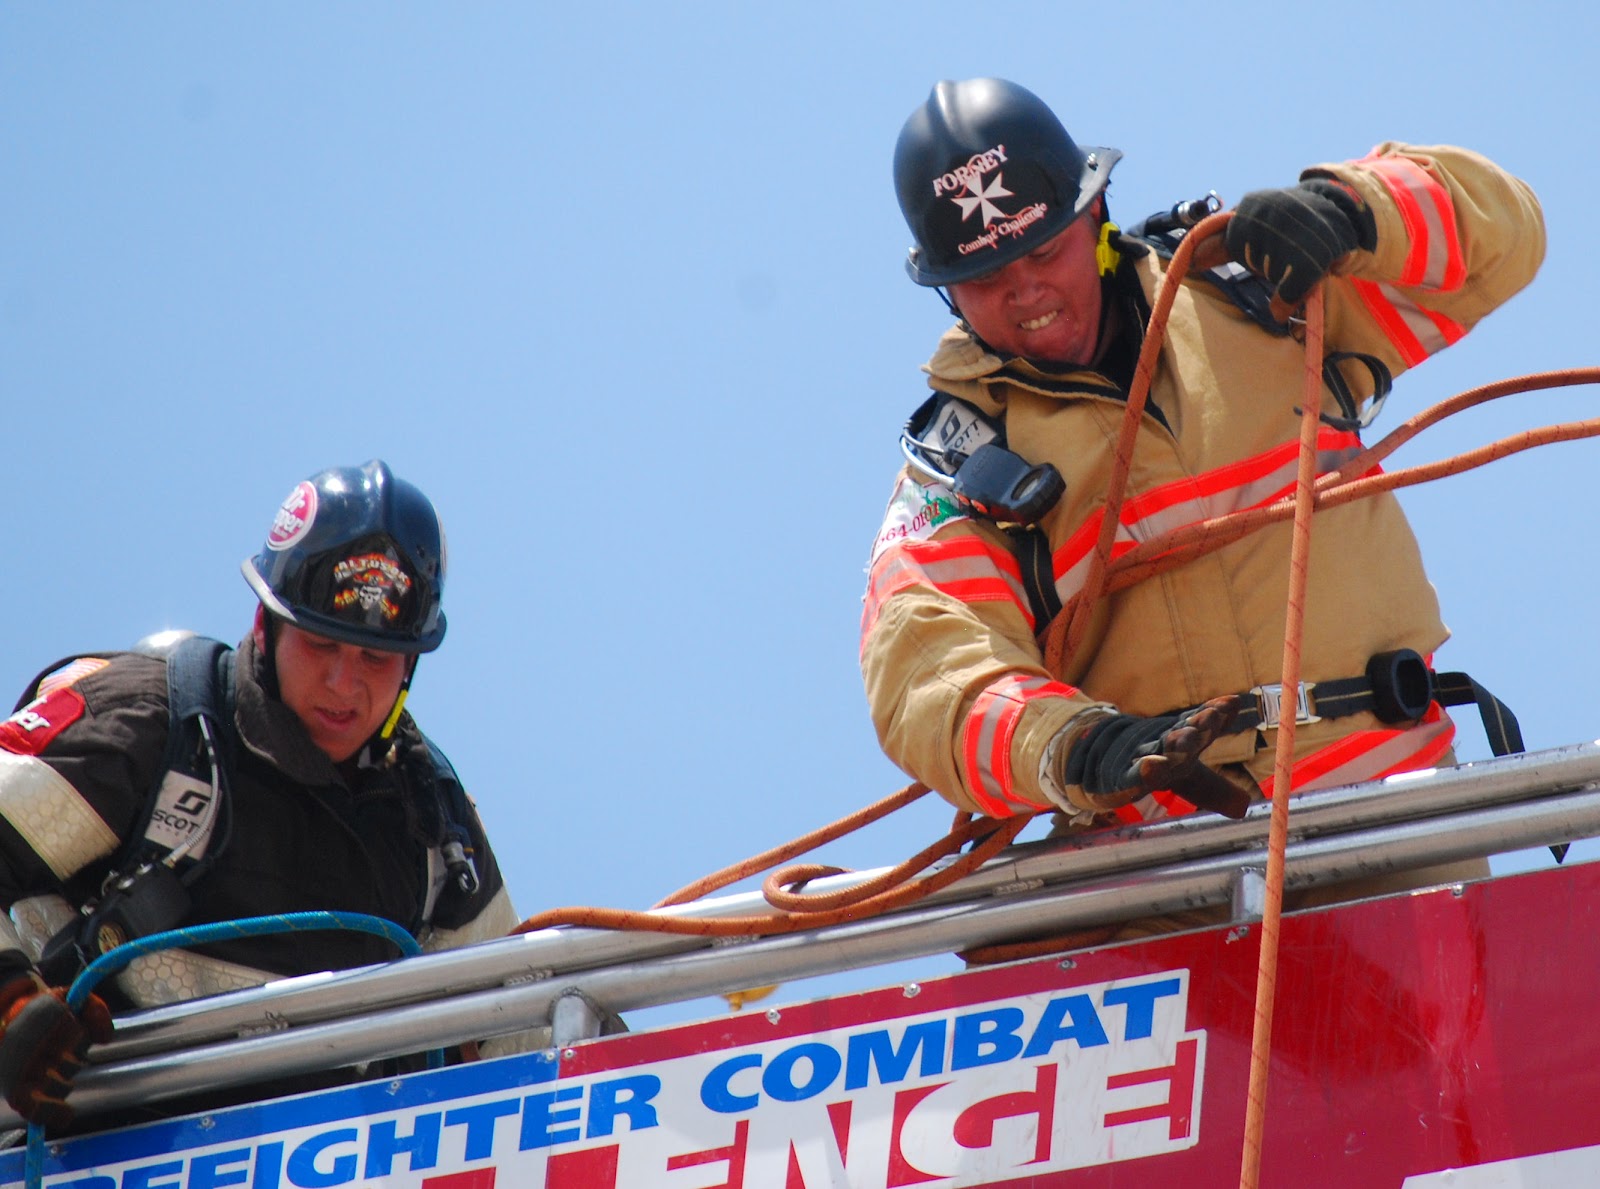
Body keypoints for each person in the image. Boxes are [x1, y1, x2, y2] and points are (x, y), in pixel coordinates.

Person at [862, 81, 1544, 849]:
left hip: (1396, 812)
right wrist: (1073, 746)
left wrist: (1355, 212)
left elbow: (1505, 234)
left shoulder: (1254, 299)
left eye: (1044, 249)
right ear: (947, 292)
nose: (1025, 290)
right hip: (1170, 873)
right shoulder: (960, 467)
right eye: (987, 278)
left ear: (1095, 216)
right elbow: (925, 670)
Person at [0, 460, 525, 1128]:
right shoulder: (148, 719)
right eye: (320, 642)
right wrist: (11, 1004)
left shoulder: (434, 825)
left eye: (375, 658)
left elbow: (530, 1022)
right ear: (264, 623)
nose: (343, 683)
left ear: (410, 667)